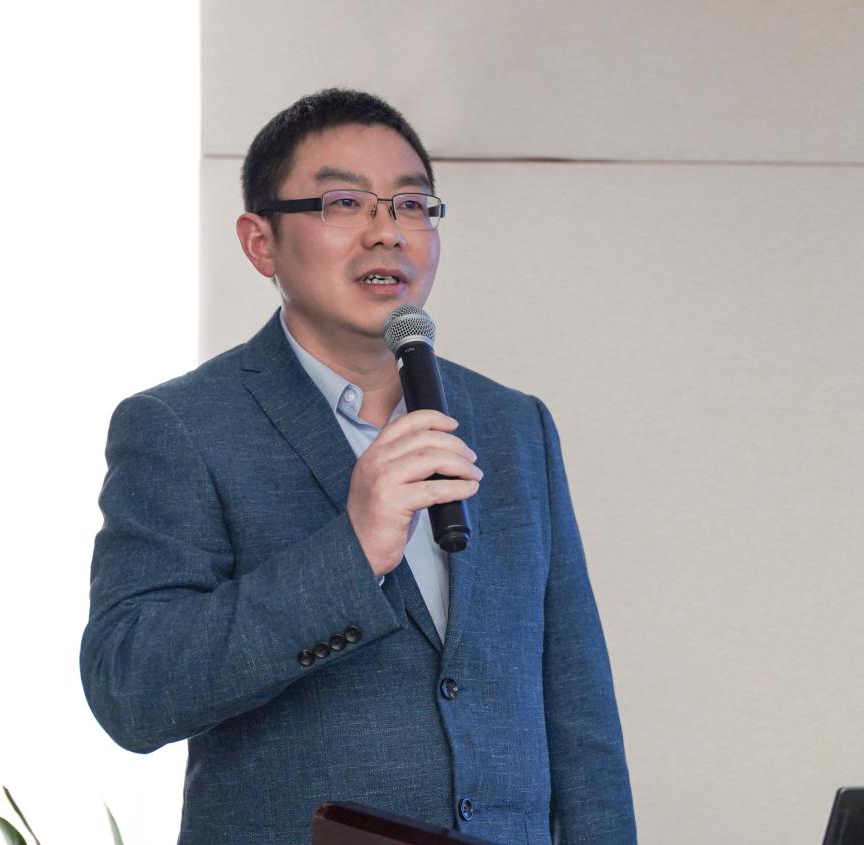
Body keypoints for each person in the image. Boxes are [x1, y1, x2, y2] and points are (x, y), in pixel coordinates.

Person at [81, 89, 635, 845]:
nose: (387, 232)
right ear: (260, 242)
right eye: (343, 203)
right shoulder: (181, 426)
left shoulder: (512, 424)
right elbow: (131, 689)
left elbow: (578, 704)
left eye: (411, 205)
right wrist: (351, 552)